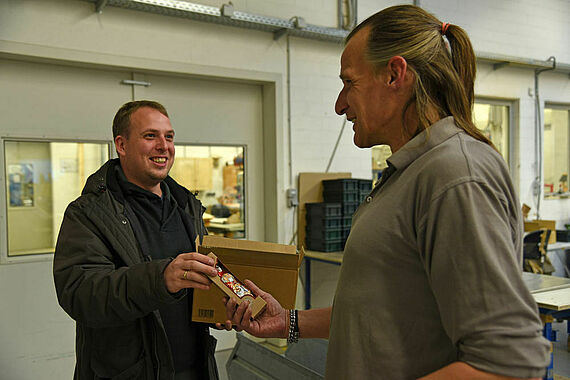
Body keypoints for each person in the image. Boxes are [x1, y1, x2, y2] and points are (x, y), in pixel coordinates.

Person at [221, 5, 551, 379]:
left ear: (395, 74)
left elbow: (508, 360)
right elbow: (384, 310)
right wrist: (289, 322)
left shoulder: (455, 175)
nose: (340, 105)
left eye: (349, 83)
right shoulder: (409, 171)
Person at [54, 100, 220, 380]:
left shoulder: (186, 206)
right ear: (122, 144)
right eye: (150, 136)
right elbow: (80, 294)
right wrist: (161, 278)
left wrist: (218, 303)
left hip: (195, 368)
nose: (163, 146)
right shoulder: (88, 213)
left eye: (169, 137)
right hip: (128, 373)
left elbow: (197, 282)